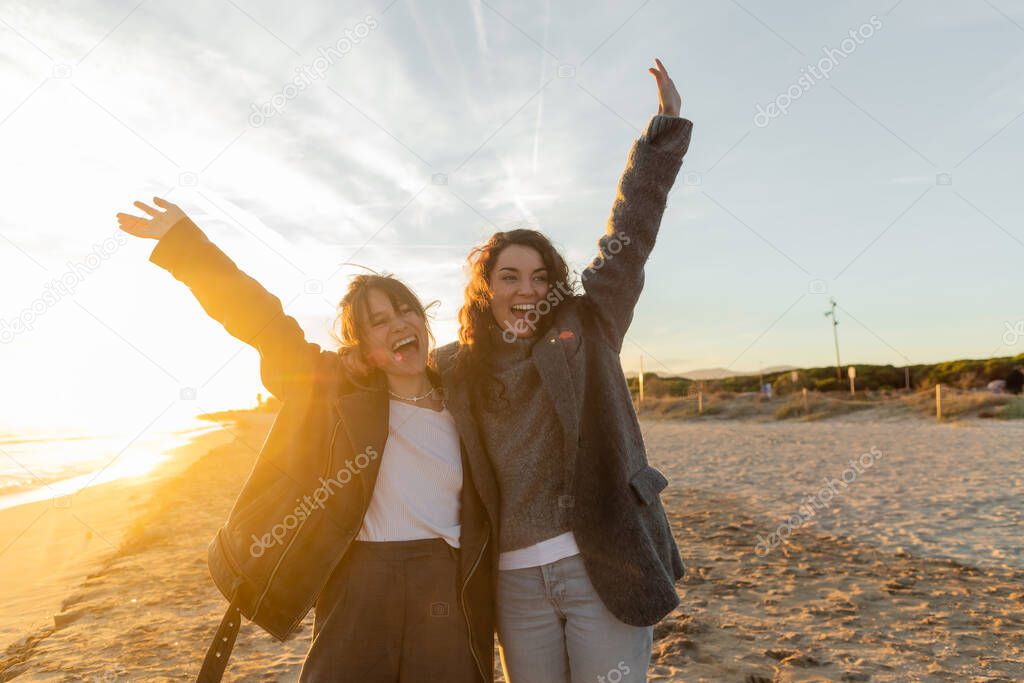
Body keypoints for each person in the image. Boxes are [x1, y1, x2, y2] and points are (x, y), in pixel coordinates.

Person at [116, 200, 493, 682]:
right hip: (359, 582)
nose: (398, 324)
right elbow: (265, 324)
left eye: (405, 311)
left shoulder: (463, 400)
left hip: (445, 586)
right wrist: (189, 249)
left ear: (423, 323)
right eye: (379, 321)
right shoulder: (337, 392)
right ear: (366, 348)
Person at [434, 58, 692, 682]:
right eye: (509, 276)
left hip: (603, 561)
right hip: (513, 582)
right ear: (484, 288)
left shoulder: (588, 325)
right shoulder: (456, 367)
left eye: (540, 276)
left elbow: (629, 235)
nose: (526, 291)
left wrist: (660, 138)